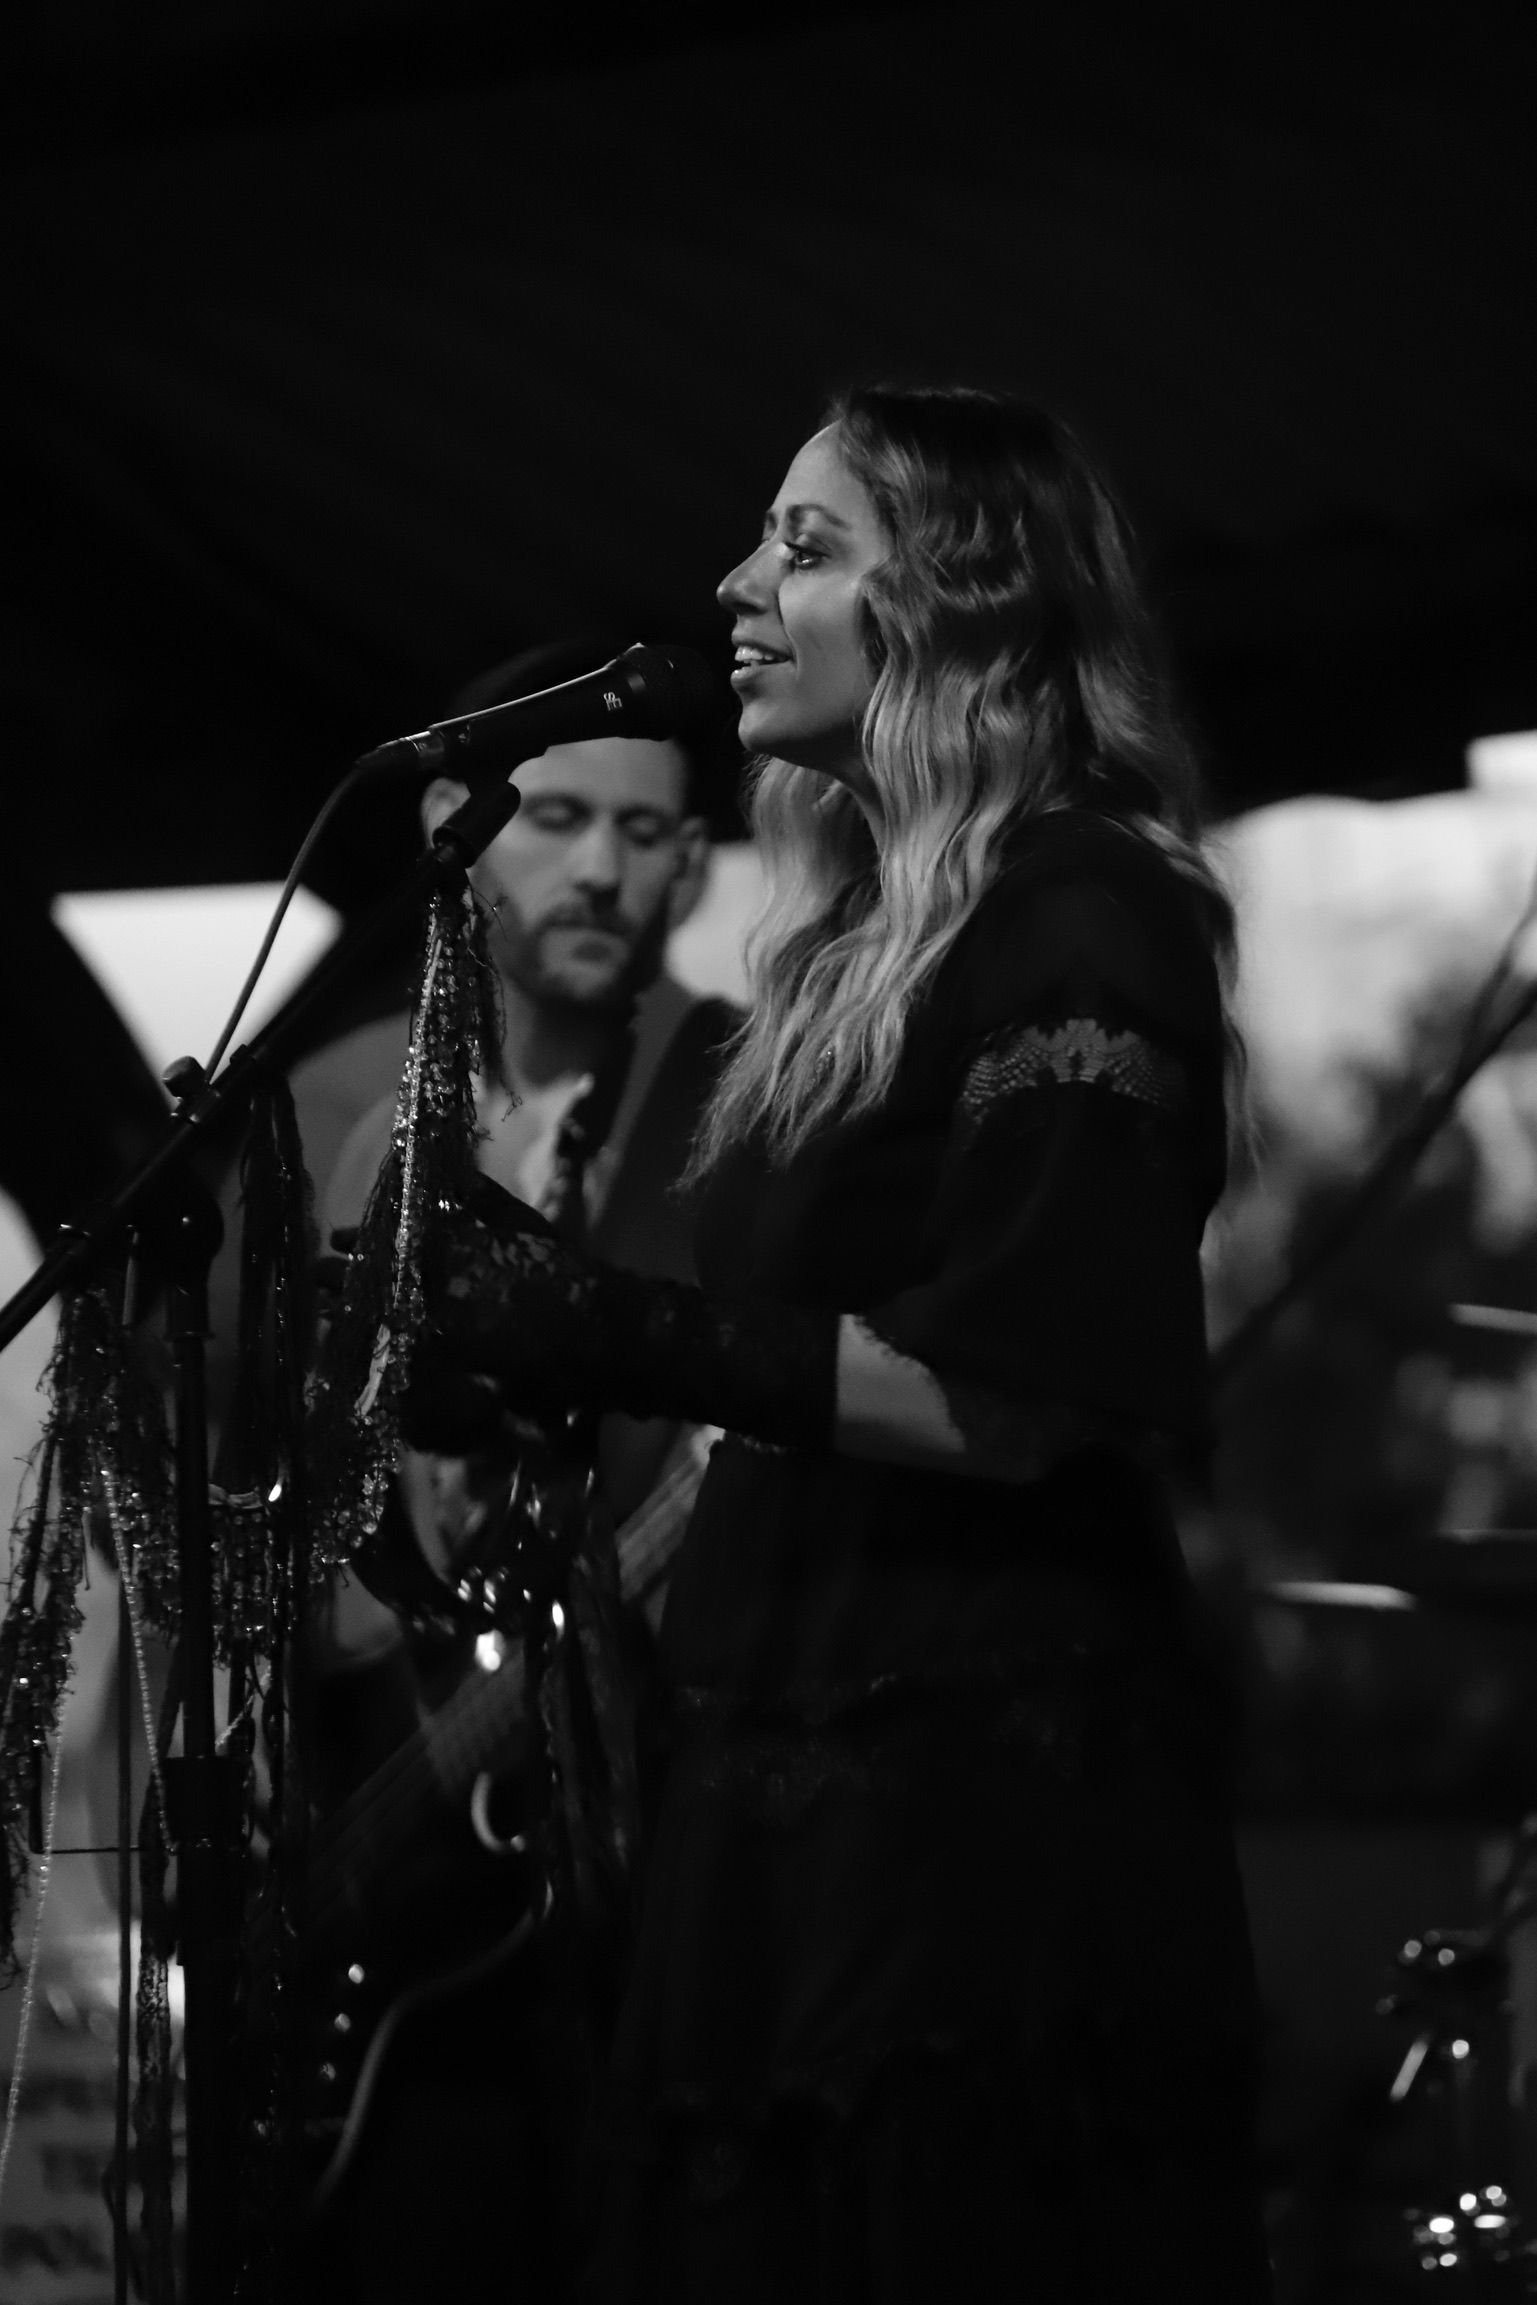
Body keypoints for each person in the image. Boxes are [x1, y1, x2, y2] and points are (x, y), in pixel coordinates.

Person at [408, 388, 1273, 2300]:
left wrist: (611, 1326)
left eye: (806, 546)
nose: (734, 582)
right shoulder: (848, 945)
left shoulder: (1084, 916)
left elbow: (1026, 1394)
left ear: (958, 601)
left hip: (972, 1808)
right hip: (781, 1778)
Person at [299, 644, 737, 2305]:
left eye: (644, 831)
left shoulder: (739, 1104)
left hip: (669, 1849)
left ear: (694, 858)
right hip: (425, 1867)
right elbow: (329, 1486)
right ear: (455, 826)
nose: (602, 868)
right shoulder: (369, 1134)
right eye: (554, 816)